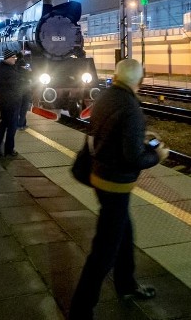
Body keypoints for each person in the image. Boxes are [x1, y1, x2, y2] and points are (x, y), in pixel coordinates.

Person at [69, 58, 163, 319]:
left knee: (125, 233)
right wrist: (157, 156)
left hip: (101, 176)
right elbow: (132, 157)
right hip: (115, 183)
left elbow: (106, 135)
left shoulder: (106, 97)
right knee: (104, 252)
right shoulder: (130, 107)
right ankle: (80, 310)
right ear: (137, 80)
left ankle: (126, 283)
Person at [0, 50, 23, 157]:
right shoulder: (8, 70)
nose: (15, 59)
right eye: (13, 57)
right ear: (7, 58)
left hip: (5, 102)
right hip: (11, 103)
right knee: (12, 127)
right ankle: (9, 150)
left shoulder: (1, 68)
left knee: (3, 124)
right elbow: (15, 85)